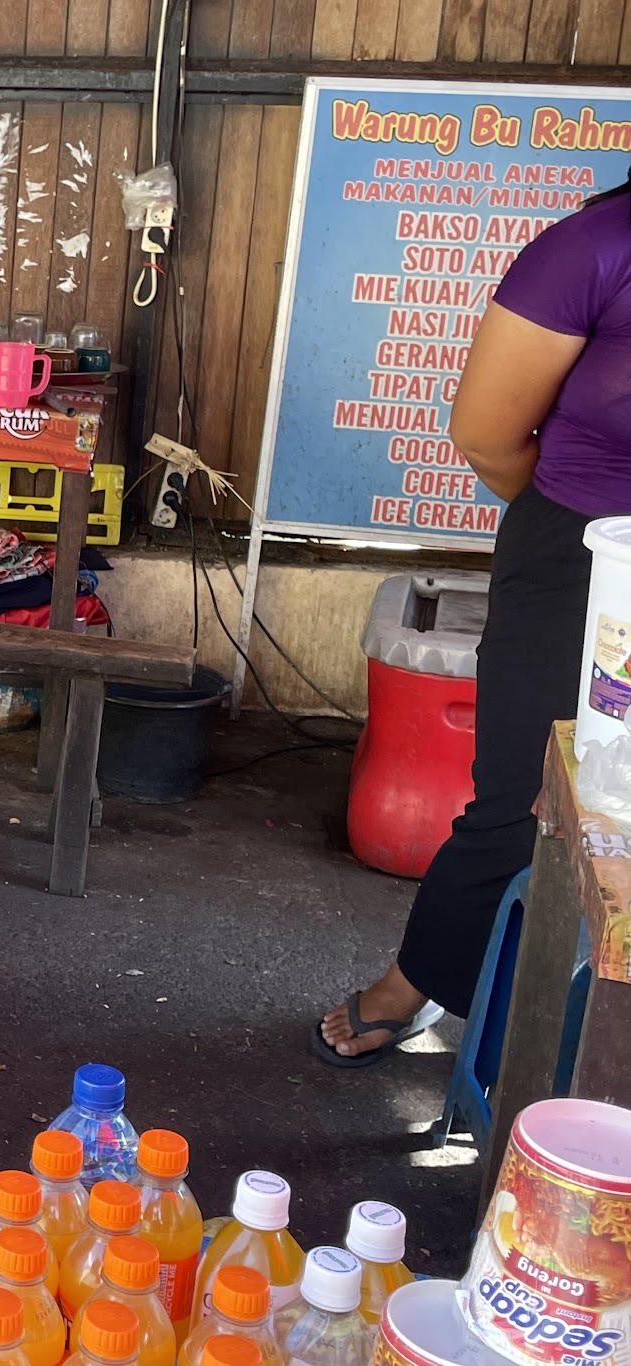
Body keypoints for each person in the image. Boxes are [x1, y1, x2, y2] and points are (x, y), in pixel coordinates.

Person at [316, 170, 631, 1065]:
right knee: (529, 798)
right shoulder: (596, 250)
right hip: (581, 562)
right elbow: (488, 434)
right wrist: (587, 534)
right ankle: (417, 979)